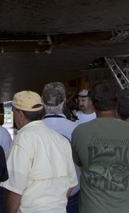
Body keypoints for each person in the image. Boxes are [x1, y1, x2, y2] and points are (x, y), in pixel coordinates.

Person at [71, 82, 129, 213]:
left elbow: (78, 162)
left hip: (93, 208)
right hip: (128, 208)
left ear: (93, 103)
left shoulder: (80, 132)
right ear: (117, 104)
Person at [2, 90, 77, 213]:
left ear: (20, 114)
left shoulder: (23, 139)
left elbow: (14, 190)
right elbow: (71, 185)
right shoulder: (61, 140)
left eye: (13, 112)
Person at [41, 83, 79, 213]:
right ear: (64, 101)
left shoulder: (31, 130)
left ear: (42, 102)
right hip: (72, 197)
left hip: (41, 199)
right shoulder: (77, 130)